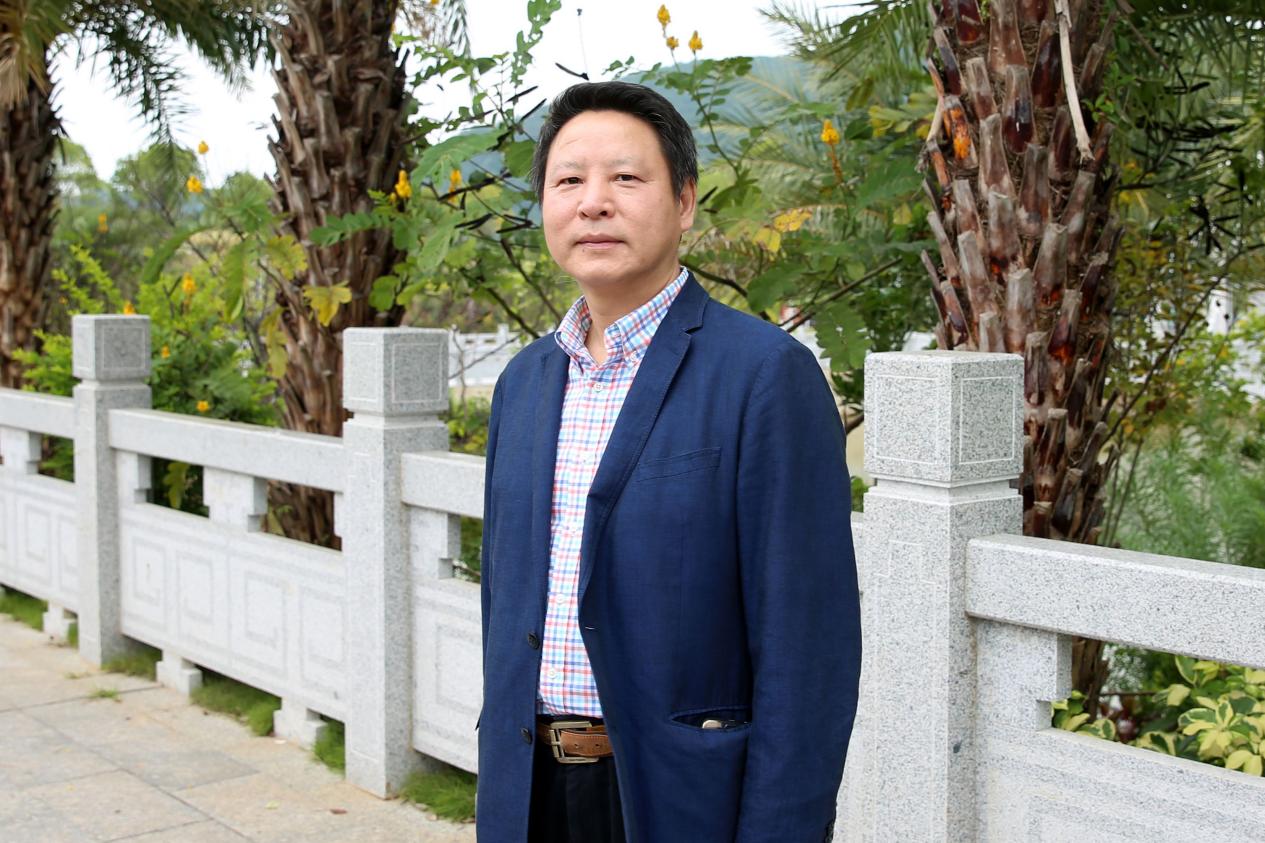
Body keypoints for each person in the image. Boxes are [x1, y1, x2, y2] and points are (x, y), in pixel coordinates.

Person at [476, 80, 861, 843]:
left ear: (684, 202)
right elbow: (501, 604)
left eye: (625, 177)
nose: (593, 202)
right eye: (568, 180)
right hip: (528, 793)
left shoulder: (763, 375)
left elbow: (806, 650)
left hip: (680, 799)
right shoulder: (522, 383)